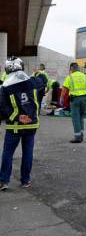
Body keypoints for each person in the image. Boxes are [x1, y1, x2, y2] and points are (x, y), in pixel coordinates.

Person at [0, 57, 47, 190]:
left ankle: (4, 181)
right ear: (21, 66)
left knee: (8, 153)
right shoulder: (33, 81)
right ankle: (25, 180)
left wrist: (17, 117)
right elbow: (44, 82)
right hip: (31, 124)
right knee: (28, 152)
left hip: (14, 125)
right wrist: (37, 72)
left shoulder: (5, 86)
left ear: (7, 68)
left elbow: (2, 107)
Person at [60, 63, 86, 143]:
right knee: (81, 117)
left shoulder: (69, 77)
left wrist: (61, 98)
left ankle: (77, 137)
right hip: (84, 99)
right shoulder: (84, 76)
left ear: (71, 69)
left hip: (75, 100)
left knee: (75, 118)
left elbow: (64, 88)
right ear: (78, 68)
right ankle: (81, 135)